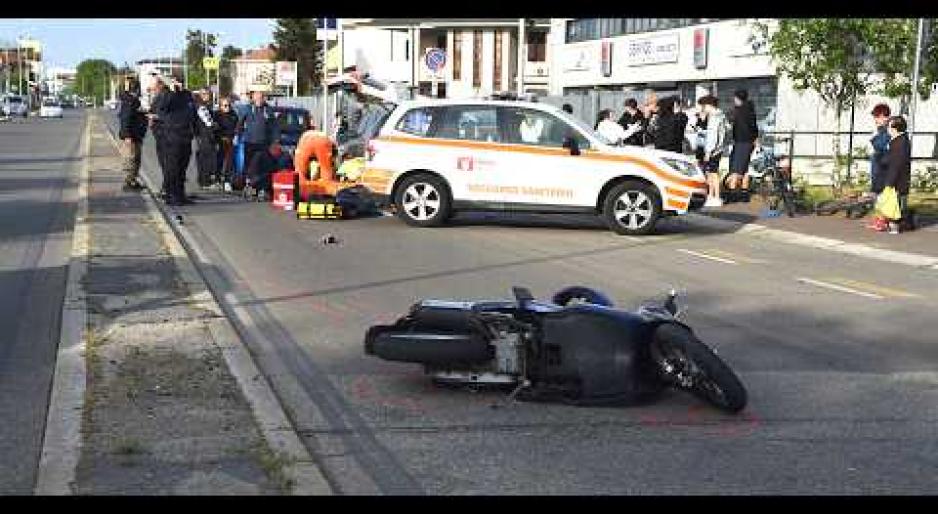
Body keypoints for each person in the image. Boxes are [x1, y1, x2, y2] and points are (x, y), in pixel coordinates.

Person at [153, 74, 197, 206]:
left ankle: (180, 195)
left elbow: (192, 111)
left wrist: (194, 129)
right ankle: (171, 196)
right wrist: (172, 91)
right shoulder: (166, 95)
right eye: (176, 82)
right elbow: (162, 108)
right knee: (172, 169)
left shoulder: (187, 95)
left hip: (186, 136)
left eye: (181, 81)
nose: (179, 84)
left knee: (182, 168)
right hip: (171, 136)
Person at [236, 90, 281, 201]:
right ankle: (251, 188)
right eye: (257, 96)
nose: (260, 99)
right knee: (250, 167)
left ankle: (262, 189)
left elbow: (274, 126)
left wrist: (276, 140)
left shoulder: (268, 110)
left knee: (263, 168)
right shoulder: (247, 109)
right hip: (250, 142)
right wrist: (237, 135)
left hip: (264, 144)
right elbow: (240, 123)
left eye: (262, 96)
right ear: (253, 97)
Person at [726, 89, 759, 202]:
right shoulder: (750, 110)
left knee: (735, 169)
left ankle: (732, 195)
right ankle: (745, 194)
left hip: (740, 142)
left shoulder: (737, 111)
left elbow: (730, 123)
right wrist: (755, 138)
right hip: (749, 142)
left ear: (737, 98)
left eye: (734, 98)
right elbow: (754, 127)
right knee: (745, 169)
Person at [882, 115, 911, 235]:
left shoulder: (899, 142)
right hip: (900, 178)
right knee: (898, 203)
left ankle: (896, 226)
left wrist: (890, 182)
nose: (888, 129)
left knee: (895, 204)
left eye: (889, 127)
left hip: (897, 179)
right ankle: (902, 223)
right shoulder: (900, 140)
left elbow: (896, 164)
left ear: (894, 129)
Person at [118, 77, 147, 192]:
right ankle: (128, 182)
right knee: (131, 159)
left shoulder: (132, 100)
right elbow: (125, 118)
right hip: (131, 136)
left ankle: (133, 180)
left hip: (136, 135)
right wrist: (127, 136)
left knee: (136, 159)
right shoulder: (130, 101)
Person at [698, 95, 728, 207]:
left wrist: (708, 152)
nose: (703, 109)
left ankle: (716, 197)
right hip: (719, 149)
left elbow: (713, 136)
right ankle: (712, 195)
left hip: (713, 150)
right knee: (712, 173)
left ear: (709, 105)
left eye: (704, 106)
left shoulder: (715, 117)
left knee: (713, 173)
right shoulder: (721, 115)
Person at [213, 96, 239, 192]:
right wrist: (219, 138)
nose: (227, 107)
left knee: (229, 162)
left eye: (228, 105)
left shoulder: (233, 114)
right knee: (219, 161)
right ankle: (217, 180)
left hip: (230, 140)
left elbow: (237, 126)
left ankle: (227, 181)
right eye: (225, 105)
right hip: (220, 140)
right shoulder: (217, 115)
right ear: (220, 106)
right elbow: (214, 129)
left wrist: (235, 134)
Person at [193, 90, 219, 188]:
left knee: (203, 159)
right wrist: (216, 125)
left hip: (203, 136)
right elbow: (209, 123)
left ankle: (203, 181)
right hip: (205, 136)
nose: (207, 96)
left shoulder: (204, 106)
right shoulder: (202, 107)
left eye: (208, 94)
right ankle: (205, 182)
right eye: (204, 94)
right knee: (206, 159)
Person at [869, 103, 891, 195]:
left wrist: (874, 139)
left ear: (887, 117)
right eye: (875, 117)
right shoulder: (878, 131)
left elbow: (881, 147)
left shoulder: (888, 132)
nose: (876, 119)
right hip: (877, 173)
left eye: (878, 116)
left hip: (884, 174)